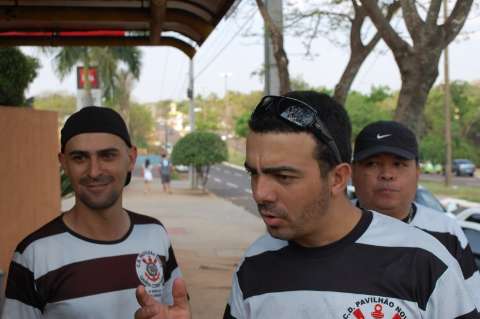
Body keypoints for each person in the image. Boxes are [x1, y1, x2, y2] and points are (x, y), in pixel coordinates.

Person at [134, 92, 479, 319]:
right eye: (254, 174)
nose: (261, 193)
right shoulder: (256, 264)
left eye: (283, 176)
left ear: (337, 178)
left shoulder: (423, 261)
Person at [1, 106, 181, 319]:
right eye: (79, 158)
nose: (94, 171)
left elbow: (174, 310)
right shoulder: (34, 254)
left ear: (131, 159)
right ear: (64, 164)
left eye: (107, 155)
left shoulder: (155, 233)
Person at [351, 120, 480, 308]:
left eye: (398, 164)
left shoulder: (447, 231)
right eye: (372, 163)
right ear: (352, 172)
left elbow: (471, 301)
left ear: (418, 172)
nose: (387, 174)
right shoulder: (327, 231)